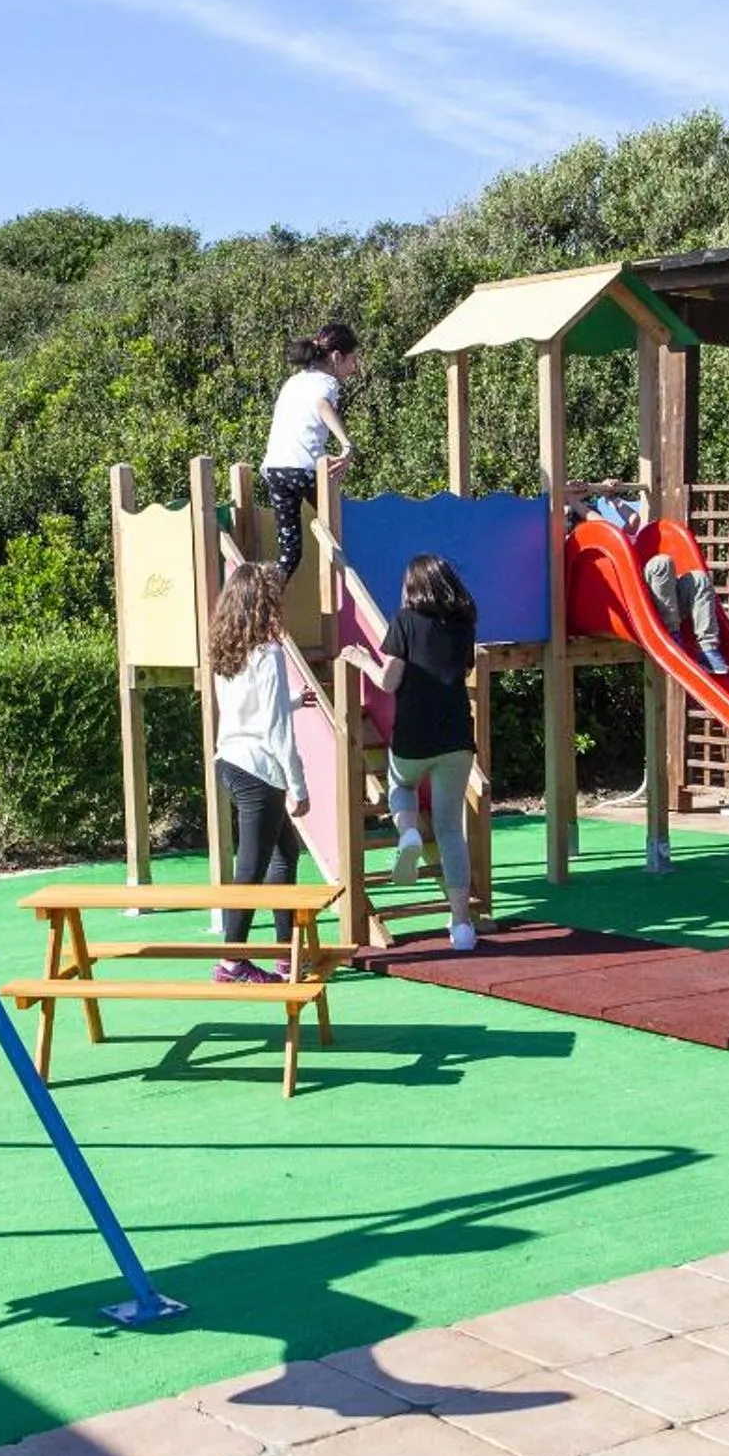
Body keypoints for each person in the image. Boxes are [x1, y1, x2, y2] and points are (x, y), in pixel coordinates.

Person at [341, 553, 481, 950]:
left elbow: (389, 681)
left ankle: (407, 835)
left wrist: (362, 659)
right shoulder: (463, 626)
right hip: (456, 735)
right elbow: (462, 671)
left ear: (414, 586)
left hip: (414, 735)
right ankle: (462, 926)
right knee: (451, 829)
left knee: (400, 785)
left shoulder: (404, 622)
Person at [207, 564, 310, 983]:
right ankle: (232, 961)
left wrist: (289, 700)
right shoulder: (269, 653)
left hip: (230, 759)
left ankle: (286, 953)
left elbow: (248, 709)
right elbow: (274, 730)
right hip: (259, 769)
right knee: (251, 865)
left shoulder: (224, 651)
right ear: (262, 603)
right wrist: (298, 784)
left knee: (284, 853)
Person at [259, 321, 362, 577]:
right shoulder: (326, 382)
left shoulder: (294, 381)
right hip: (303, 469)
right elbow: (322, 405)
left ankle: (264, 593)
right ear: (336, 357)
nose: (355, 367)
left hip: (275, 470)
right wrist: (346, 445)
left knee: (290, 553)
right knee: (341, 529)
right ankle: (348, 582)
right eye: (353, 360)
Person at [593, 492, 729, 675]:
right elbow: (595, 520)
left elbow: (634, 519)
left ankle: (708, 648)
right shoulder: (596, 538)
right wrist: (572, 498)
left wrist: (613, 498)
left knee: (698, 578)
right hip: (638, 607)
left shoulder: (627, 535)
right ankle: (671, 636)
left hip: (664, 604)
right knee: (661, 563)